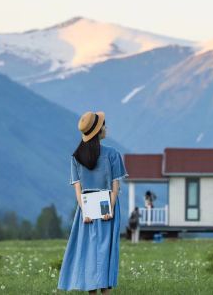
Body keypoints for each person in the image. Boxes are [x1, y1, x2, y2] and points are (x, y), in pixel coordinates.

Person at [58, 111, 129, 294]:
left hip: (86, 210)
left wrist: (86, 211)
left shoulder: (76, 157)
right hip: (107, 207)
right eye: (104, 125)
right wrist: (109, 209)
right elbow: (115, 188)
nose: (106, 128)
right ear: (98, 130)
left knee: (89, 252)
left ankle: (91, 290)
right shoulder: (113, 154)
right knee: (106, 253)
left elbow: (78, 191)